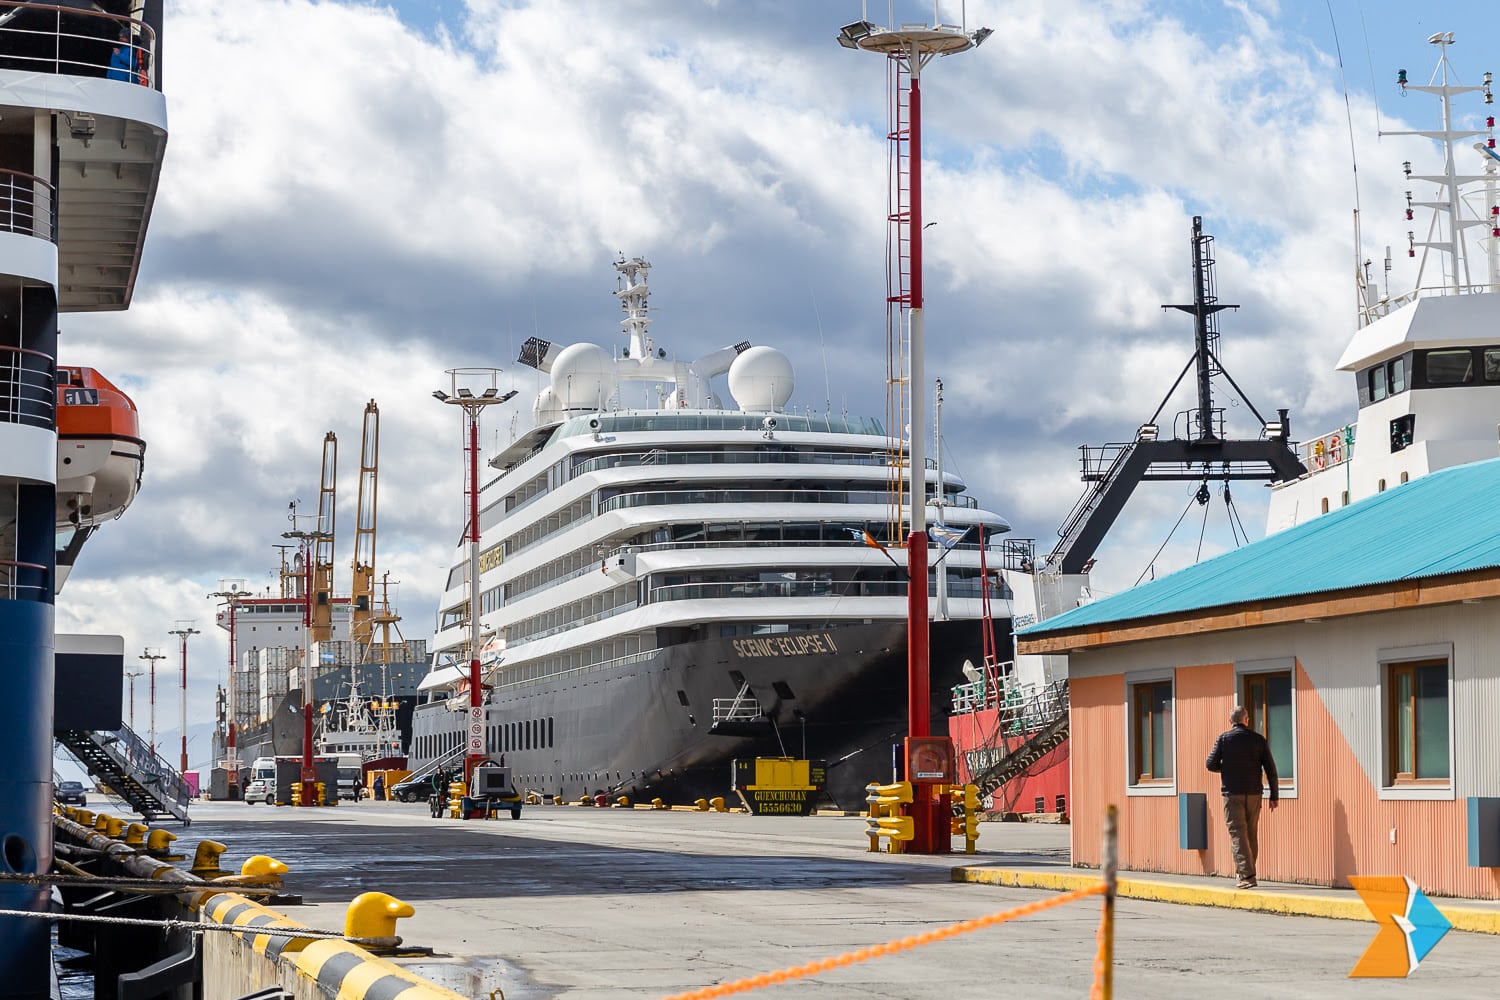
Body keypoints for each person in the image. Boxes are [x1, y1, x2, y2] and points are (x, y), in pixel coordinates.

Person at [1205, 705, 1279, 888]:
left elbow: (1210, 764)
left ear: (1230, 721)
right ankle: (1245, 872)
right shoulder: (1258, 740)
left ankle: (1247, 876)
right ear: (1247, 720)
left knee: (1237, 833)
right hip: (1254, 793)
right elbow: (1271, 769)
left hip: (1232, 793)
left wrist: (1227, 768)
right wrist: (1274, 796)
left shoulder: (1224, 739)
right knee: (1251, 833)